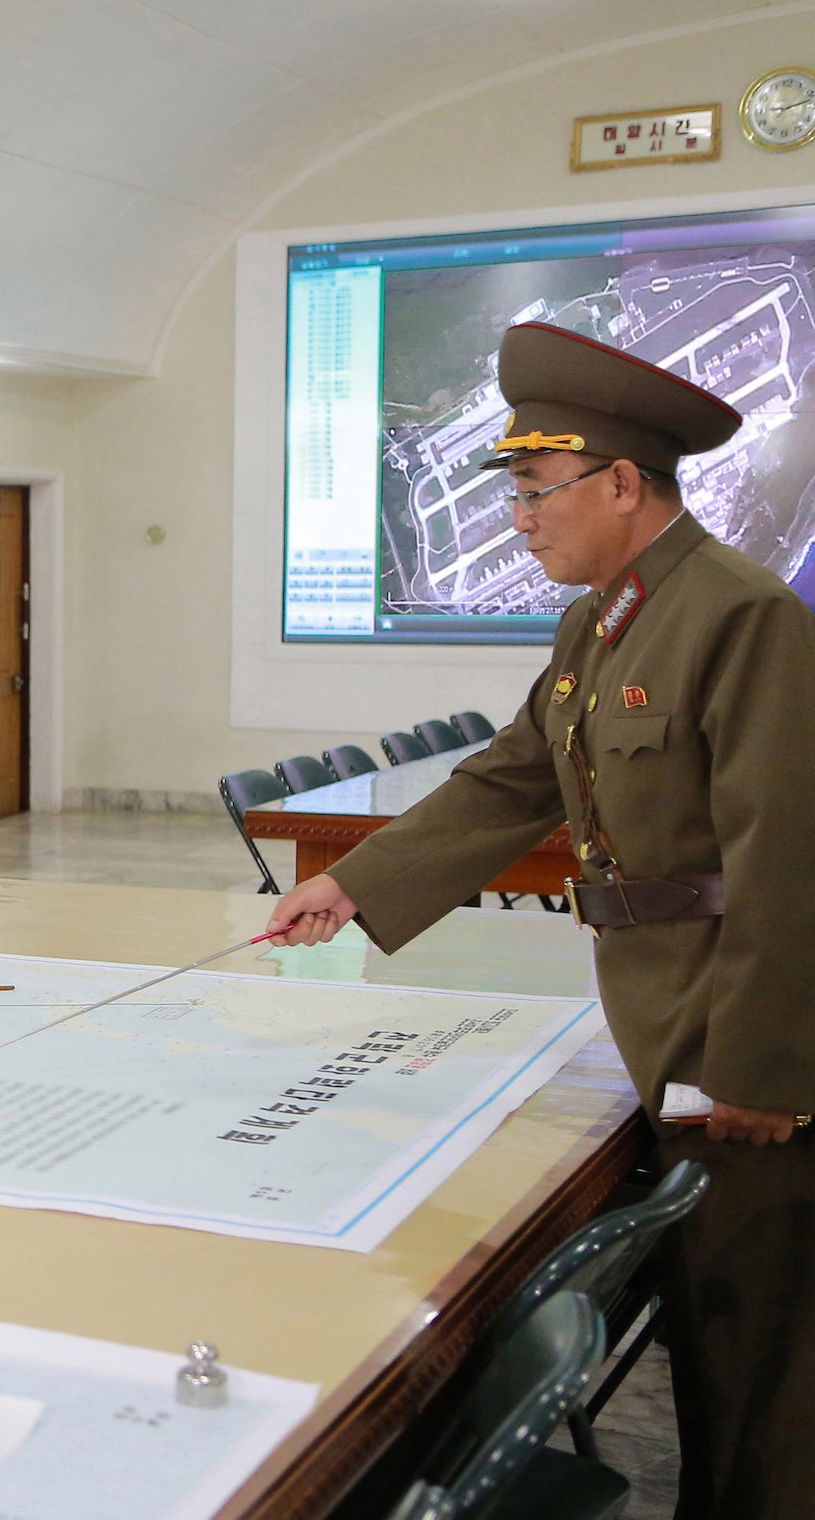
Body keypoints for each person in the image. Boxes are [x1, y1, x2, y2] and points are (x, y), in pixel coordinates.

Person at [266, 322, 815, 1520]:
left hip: (728, 1020)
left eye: (534, 490)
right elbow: (512, 778)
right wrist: (357, 882)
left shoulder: (740, 612)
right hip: (655, 1001)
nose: (517, 518)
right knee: (711, 1318)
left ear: (624, 483)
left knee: (760, 1345)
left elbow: (789, 856)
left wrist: (763, 1068)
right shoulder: (601, 621)